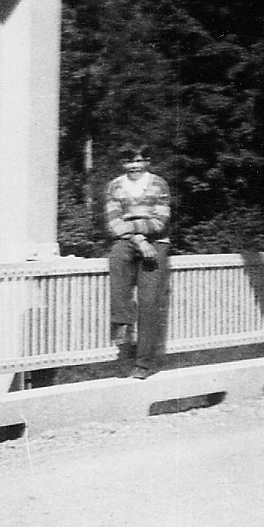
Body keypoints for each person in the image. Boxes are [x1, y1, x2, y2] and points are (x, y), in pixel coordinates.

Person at [105, 143, 171, 379]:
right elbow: (113, 224)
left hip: (156, 243)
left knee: (149, 301)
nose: (133, 166)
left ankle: (144, 363)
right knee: (116, 258)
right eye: (128, 162)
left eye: (138, 161)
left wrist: (141, 237)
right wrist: (137, 239)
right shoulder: (115, 186)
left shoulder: (158, 184)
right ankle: (121, 320)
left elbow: (160, 221)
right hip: (130, 242)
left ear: (147, 162)